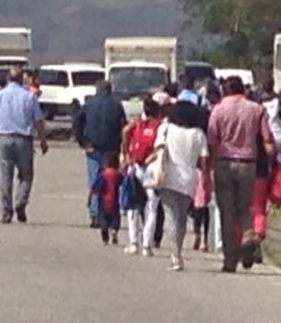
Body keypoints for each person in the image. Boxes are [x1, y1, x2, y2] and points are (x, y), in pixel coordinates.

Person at [207, 76, 274, 273]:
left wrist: (209, 167)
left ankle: (230, 260)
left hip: (224, 162)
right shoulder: (256, 109)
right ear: (242, 90)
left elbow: (212, 140)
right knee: (245, 208)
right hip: (248, 164)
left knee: (227, 212)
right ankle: (247, 236)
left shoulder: (218, 110)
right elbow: (267, 138)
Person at [0, 68, 49, 223]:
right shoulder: (30, 97)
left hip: (4, 139)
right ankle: (20, 202)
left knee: (6, 177)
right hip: (24, 140)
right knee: (26, 176)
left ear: (7, 78)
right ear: (21, 80)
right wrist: (43, 141)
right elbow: (38, 122)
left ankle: (6, 211)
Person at [153, 101, 210, 271]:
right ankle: (178, 251)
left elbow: (157, 149)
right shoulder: (198, 134)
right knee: (182, 216)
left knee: (170, 215)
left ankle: (175, 254)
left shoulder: (166, 128)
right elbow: (204, 159)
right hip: (189, 179)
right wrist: (206, 179)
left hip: (168, 176)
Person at [73, 80, 127, 228]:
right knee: (112, 182)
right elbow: (123, 126)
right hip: (112, 149)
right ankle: (111, 213)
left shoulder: (89, 105)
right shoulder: (117, 105)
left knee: (95, 182)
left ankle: (95, 214)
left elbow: (77, 124)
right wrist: (123, 146)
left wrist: (83, 142)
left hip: (93, 148)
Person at [120, 94, 166, 255]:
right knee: (152, 207)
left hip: (135, 166)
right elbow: (161, 147)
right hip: (151, 167)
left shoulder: (138, 123)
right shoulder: (160, 125)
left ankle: (133, 242)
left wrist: (126, 154)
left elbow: (125, 131)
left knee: (133, 205)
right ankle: (147, 245)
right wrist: (150, 158)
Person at [90, 152, 122, 245]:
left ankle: (105, 237)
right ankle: (114, 230)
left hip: (103, 202)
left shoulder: (103, 175)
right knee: (115, 218)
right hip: (115, 202)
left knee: (103, 219)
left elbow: (96, 188)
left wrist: (92, 194)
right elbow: (122, 183)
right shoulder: (117, 174)